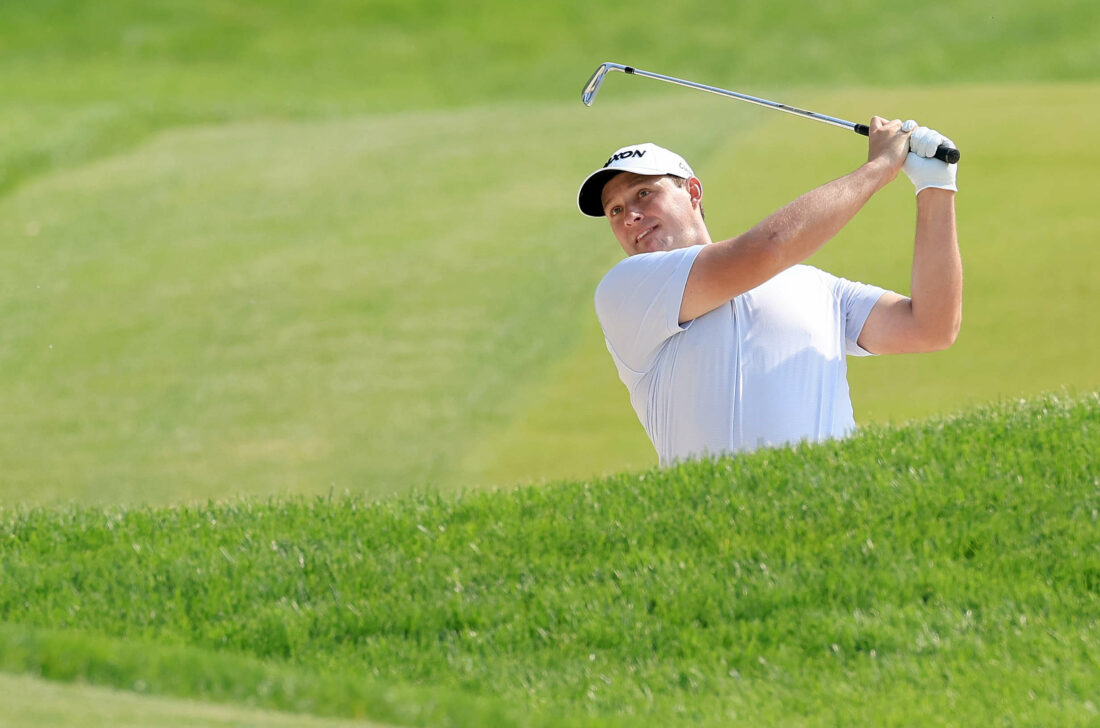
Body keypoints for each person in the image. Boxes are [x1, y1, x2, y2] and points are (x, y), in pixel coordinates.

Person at [577, 118, 961, 465]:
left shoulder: (814, 285)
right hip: (715, 531)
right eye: (615, 210)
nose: (630, 216)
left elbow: (931, 326)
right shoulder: (626, 289)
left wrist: (935, 187)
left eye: (643, 193)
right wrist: (879, 168)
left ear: (693, 192)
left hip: (835, 517)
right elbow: (762, 251)